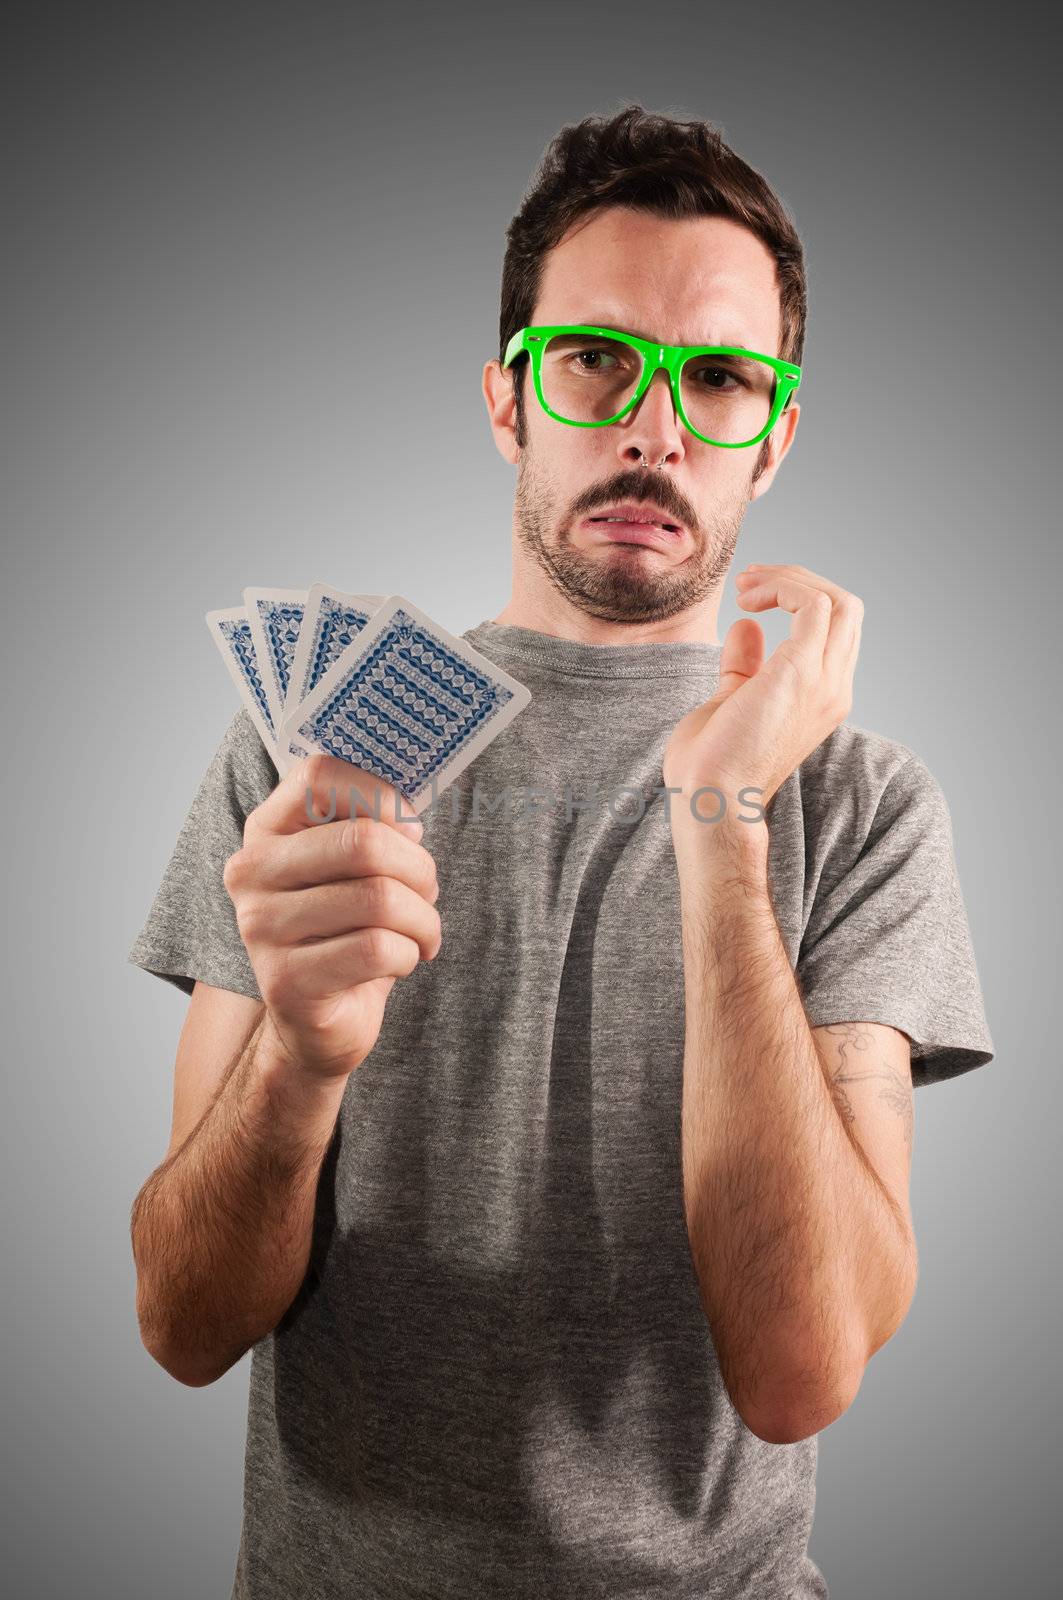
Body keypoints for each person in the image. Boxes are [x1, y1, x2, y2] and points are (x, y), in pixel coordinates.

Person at [128, 104, 995, 1600]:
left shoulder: (860, 807)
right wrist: (303, 1058)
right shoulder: (312, 752)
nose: (656, 424)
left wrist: (725, 826)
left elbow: (801, 1374)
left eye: (720, 377)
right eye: (598, 359)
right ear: (507, 398)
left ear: (773, 439)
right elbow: (182, 1325)